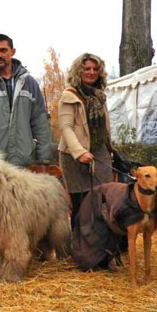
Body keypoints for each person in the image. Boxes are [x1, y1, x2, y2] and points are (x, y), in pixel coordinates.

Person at [0, 34, 53, 270]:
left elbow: (40, 121)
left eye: (3, 50)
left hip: (21, 159)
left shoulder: (29, 82)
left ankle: (18, 254)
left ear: (12, 51)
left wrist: (44, 157)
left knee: (19, 212)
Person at [57, 52, 114, 224]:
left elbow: (104, 127)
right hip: (74, 156)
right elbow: (66, 128)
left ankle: (100, 245)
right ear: (78, 71)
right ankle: (79, 247)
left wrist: (111, 150)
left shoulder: (99, 96)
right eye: (86, 68)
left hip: (99, 153)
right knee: (81, 204)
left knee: (102, 200)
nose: (91, 72)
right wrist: (79, 152)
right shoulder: (69, 95)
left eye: (95, 68)